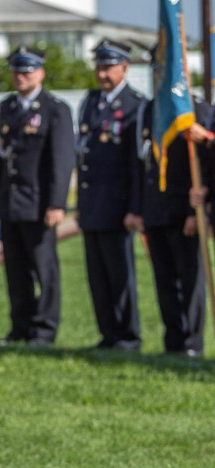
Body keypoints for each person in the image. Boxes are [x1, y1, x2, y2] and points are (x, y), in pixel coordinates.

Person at [0, 46, 75, 347]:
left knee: (44, 271)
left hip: (38, 204)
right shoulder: (7, 107)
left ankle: (44, 330)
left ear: (41, 73)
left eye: (28, 70)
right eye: (16, 70)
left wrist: (57, 203)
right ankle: (19, 327)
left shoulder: (54, 109)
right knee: (15, 271)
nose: (21, 76)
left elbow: (61, 160)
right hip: (10, 203)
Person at [127, 49, 210, 358]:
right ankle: (172, 340)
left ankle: (192, 342)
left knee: (190, 279)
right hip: (155, 210)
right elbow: (141, 163)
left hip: (183, 211)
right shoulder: (149, 111)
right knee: (163, 280)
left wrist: (195, 213)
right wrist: (139, 209)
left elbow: (203, 166)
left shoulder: (195, 111)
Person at [75, 40, 145, 351]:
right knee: (97, 276)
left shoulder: (135, 105)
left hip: (118, 206)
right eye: (99, 67)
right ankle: (108, 333)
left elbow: (135, 164)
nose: (102, 73)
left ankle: (128, 335)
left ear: (125, 67)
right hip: (92, 205)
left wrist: (134, 207)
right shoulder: (91, 102)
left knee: (120, 275)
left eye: (109, 67)